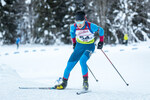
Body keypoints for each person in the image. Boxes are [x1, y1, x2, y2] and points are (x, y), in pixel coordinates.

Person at [55, 11, 104, 90]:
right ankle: (64, 83)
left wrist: (101, 41)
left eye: (81, 21)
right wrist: (74, 43)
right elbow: (72, 34)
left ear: (84, 20)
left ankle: (85, 83)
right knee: (69, 65)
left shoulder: (91, 26)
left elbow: (101, 30)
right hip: (79, 47)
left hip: (89, 47)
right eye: (77, 22)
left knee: (82, 61)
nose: (79, 24)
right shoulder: (73, 27)